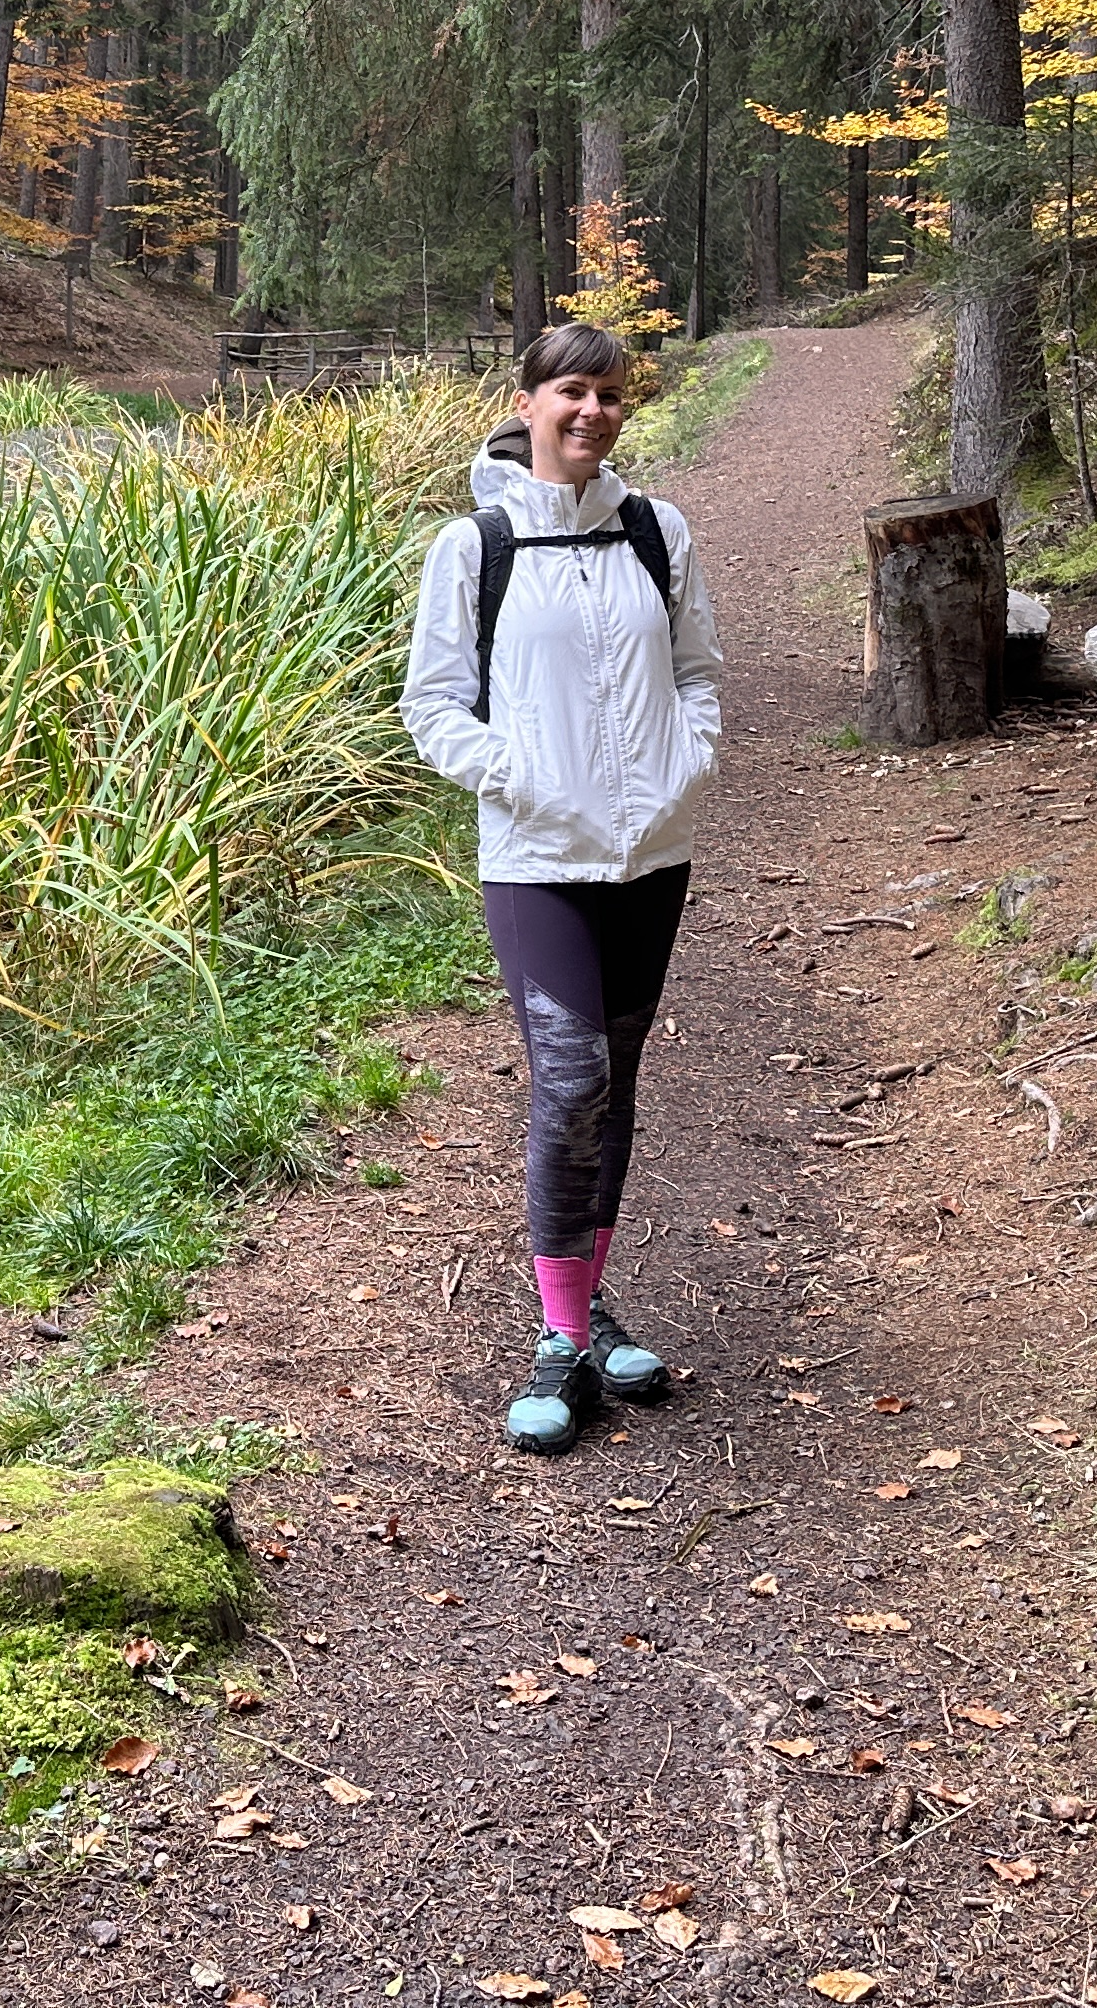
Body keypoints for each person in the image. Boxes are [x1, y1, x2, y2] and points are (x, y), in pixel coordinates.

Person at [398, 323, 723, 1456]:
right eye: (573, 392)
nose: (595, 412)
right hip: (537, 856)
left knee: (616, 1081)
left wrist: (689, 762)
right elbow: (434, 703)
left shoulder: (655, 531)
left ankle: (588, 1314)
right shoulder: (475, 544)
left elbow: (697, 673)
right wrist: (519, 778)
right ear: (529, 402)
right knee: (569, 1077)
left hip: (651, 853)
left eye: (613, 396)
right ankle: (557, 1339)